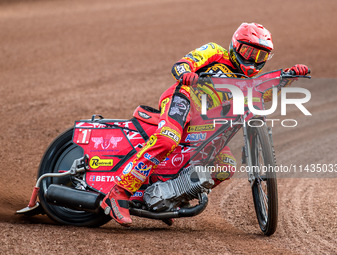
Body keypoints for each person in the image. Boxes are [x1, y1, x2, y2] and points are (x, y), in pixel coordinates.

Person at [100, 22, 310, 226]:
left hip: (207, 123)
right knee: (167, 139)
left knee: (225, 166)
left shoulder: (247, 83)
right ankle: (119, 192)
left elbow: (262, 97)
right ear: (235, 46)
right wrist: (186, 73)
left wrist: (289, 77)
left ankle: (170, 197)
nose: (253, 60)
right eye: (248, 52)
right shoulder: (214, 51)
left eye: (260, 56)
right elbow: (182, 64)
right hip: (183, 98)